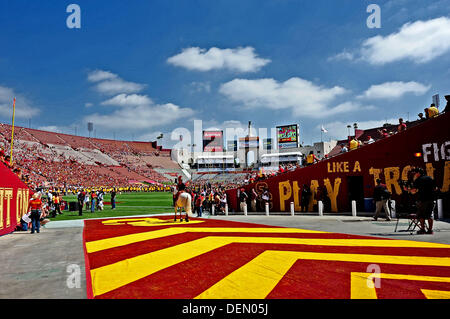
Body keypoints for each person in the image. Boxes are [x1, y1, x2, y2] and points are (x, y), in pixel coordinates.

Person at [410, 168, 436, 234]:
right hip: (431, 199)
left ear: (418, 173)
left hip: (422, 199)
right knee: (430, 214)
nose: (415, 174)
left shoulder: (418, 180)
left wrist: (408, 190)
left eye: (415, 173)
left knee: (421, 215)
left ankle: (422, 229)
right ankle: (430, 230)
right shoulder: (430, 178)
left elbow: (414, 191)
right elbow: (435, 188)